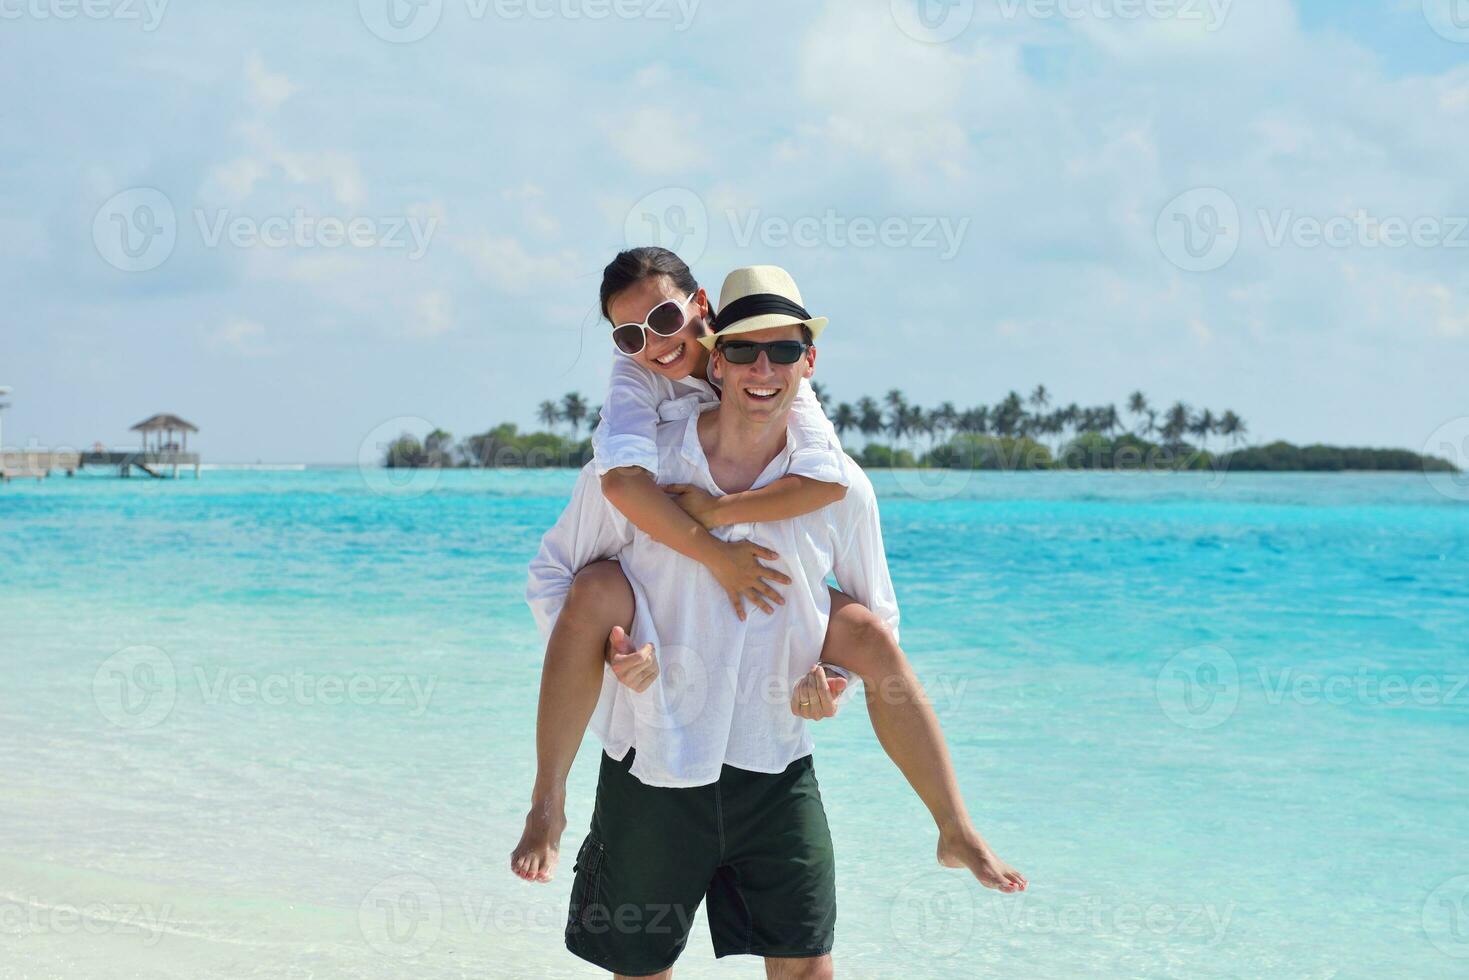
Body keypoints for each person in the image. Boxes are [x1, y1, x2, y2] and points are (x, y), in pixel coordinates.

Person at [524, 265, 1025, 977]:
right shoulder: (638, 469)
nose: (765, 369)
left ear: (807, 363)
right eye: (746, 352)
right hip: (657, 762)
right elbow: (557, 583)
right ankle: (546, 804)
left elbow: (874, 615)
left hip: (772, 762)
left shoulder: (837, 483)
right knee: (642, 970)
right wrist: (610, 661)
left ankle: (954, 826)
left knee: (807, 966)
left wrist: (834, 677)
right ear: (717, 358)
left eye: (784, 352)